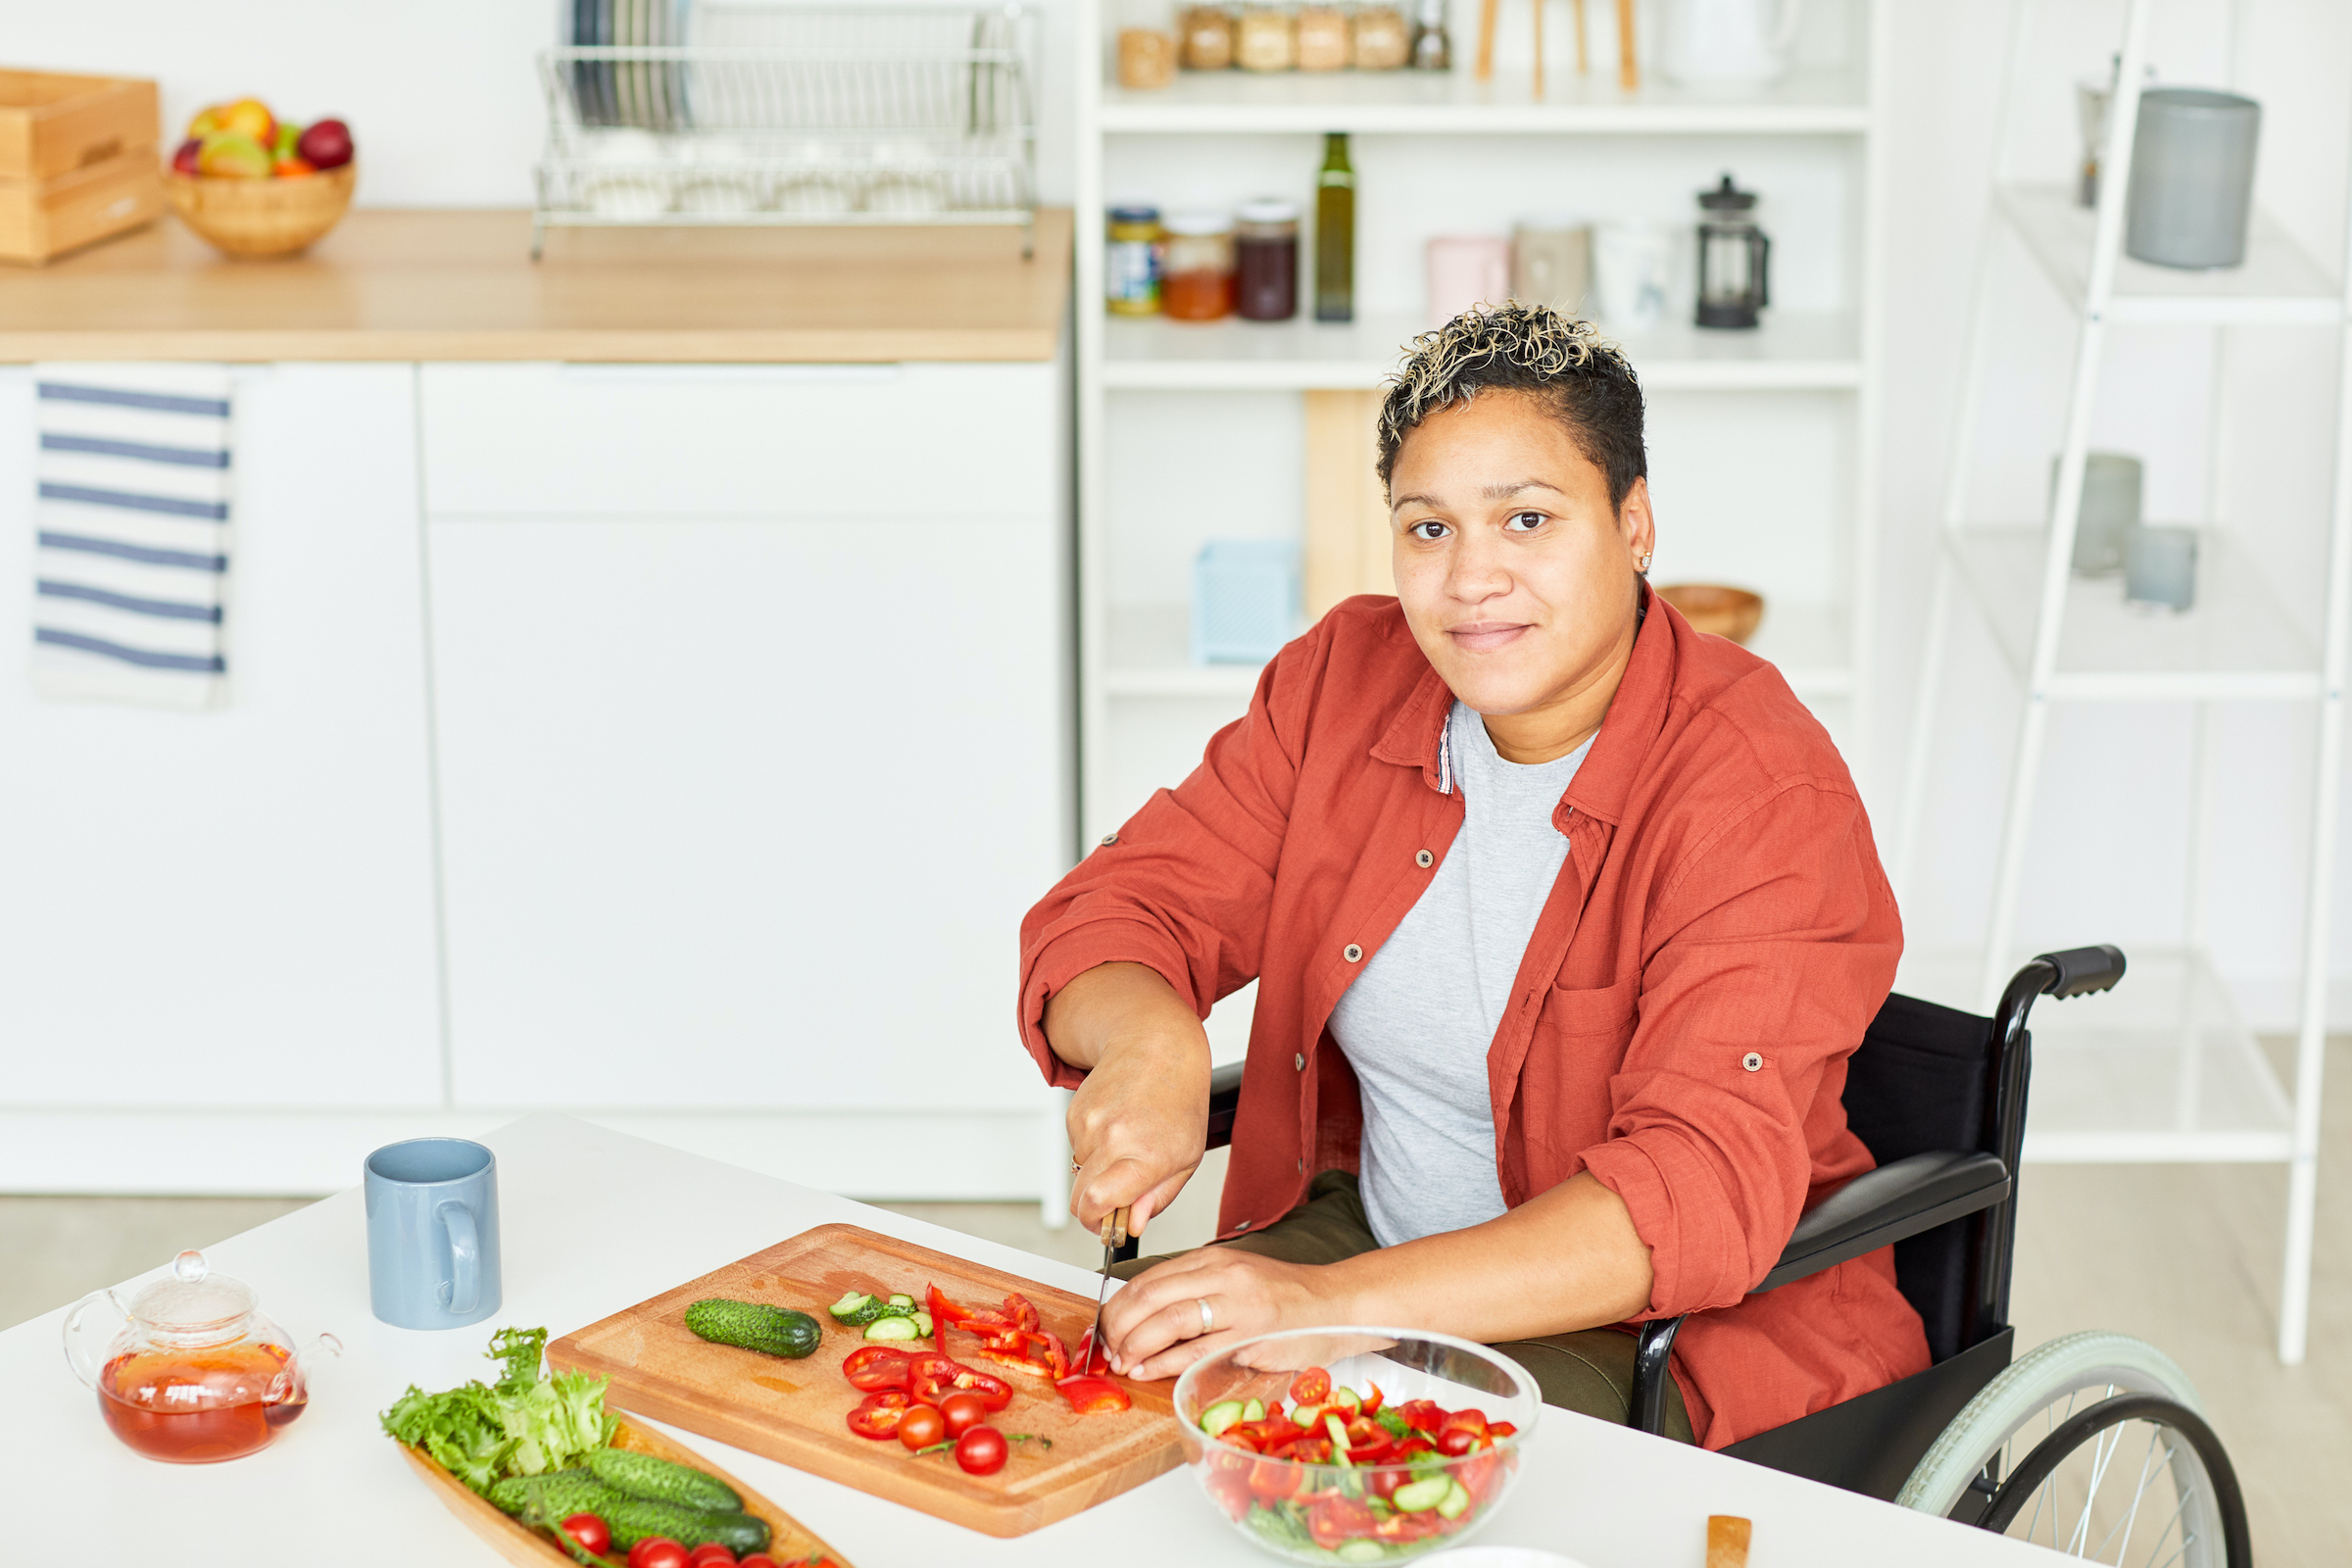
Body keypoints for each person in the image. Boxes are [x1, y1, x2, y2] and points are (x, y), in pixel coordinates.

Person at [1016, 304, 1929, 1448]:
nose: (1470, 580)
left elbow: (1691, 1185)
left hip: (1656, 1332)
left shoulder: (1760, 792)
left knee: (1326, 1482)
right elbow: (1118, 910)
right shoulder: (1344, 679)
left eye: (1528, 519)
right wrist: (1157, 1048)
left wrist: (1323, 1307)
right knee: (1116, 1437)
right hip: (1369, 1246)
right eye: (1428, 528)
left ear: (1634, 523)